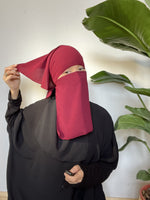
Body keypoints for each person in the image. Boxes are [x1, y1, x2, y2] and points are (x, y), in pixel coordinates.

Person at [3, 45, 118, 200]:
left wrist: (86, 174)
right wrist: (14, 92)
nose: (76, 76)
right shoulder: (37, 114)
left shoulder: (101, 117)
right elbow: (14, 125)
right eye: (67, 72)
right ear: (56, 77)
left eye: (80, 69)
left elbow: (108, 163)